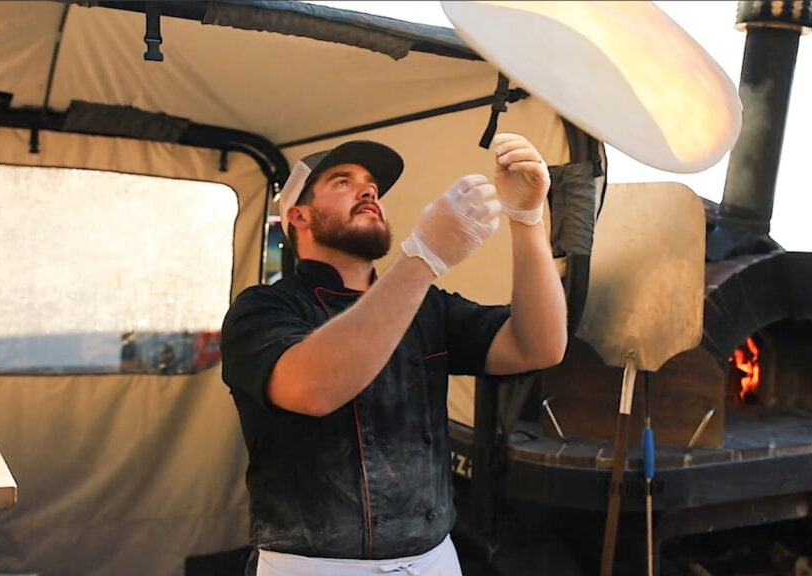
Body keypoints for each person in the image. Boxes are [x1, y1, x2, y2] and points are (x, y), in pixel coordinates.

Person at [220, 133, 567, 576]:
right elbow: (312, 388)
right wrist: (423, 256)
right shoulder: (264, 308)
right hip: (311, 566)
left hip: (433, 560)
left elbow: (539, 345)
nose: (368, 191)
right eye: (343, 181)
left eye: (373, 186)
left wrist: (528, 218)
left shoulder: (427, 305)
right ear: (298, 216)